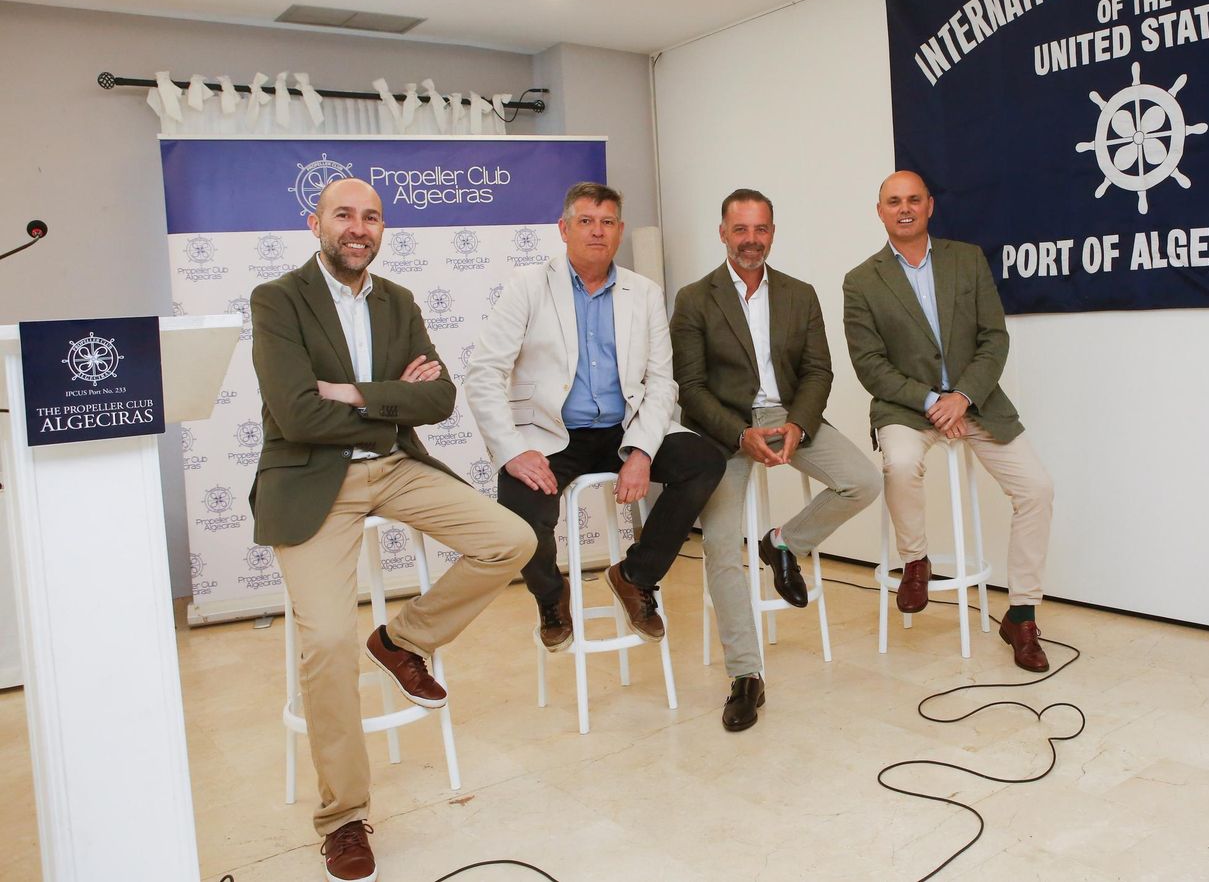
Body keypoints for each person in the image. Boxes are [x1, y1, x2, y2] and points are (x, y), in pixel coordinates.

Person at [250, 177, 535, 882]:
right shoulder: (278, 300)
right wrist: (391, 398)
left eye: (371, 217)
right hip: (312, 480)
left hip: (393, 466)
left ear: (382, 230)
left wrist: (352, 393)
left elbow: (437, 398)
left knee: (513, 539)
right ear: (314, 221)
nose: (358, 227)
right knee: (323, 640)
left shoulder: (398, 302)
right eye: (344, 214)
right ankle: (344, 817)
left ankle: (402, 639)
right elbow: (295, 416)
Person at [463, 182, 723, 655]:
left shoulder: (643, 293)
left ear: (619, 231)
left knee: (703, 460)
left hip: (623, 428)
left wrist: (642, 451)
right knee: (519, 508)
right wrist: (514, 451)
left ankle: (634, 575)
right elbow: (483, 374)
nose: (597, 232)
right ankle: (550, 594)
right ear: (564, 229)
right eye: (585, 221)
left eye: (607, 223)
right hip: (551, 433)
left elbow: (662, 382)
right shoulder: (527, 287)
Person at [670, 188, 881, 731]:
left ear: (772, 232)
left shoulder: (799, 294)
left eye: (760, 229)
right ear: (722, 233)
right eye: (740, 230)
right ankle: (746, 676)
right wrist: (740, 434)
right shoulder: (695, 299)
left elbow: (818, 373)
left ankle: (783, 543)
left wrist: (797, 424)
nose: (751, 240)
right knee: (719, 544)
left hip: (788, 418)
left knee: (861, 480)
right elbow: (690, 389)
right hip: (723, 430)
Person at [841, 170, 1056, 672]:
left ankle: (1021, 613)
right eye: (893, 201)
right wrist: (929, 401)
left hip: (976, 402)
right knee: (898, 462)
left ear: (930, 205)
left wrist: (961, 396)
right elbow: (869, 364)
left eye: (913, 199)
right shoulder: (861, 281)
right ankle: (915, 561)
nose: (904, 208)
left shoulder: (967, 259)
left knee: (1037, 489)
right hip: (905, 408)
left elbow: (994, 339)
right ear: (880, 212)